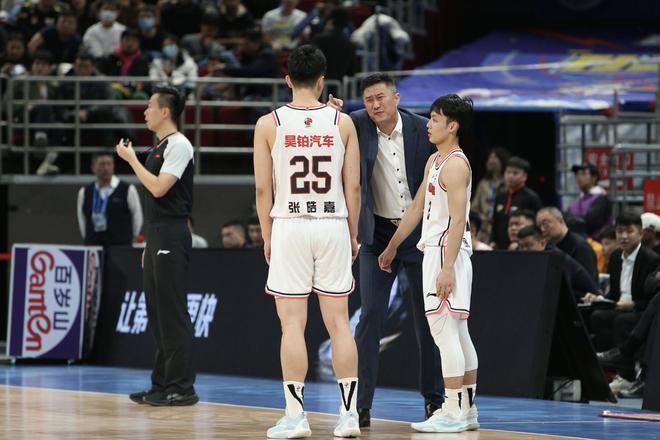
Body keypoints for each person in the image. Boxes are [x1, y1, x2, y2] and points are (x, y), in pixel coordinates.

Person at [253, 45, 361, 438]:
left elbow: (262, 190)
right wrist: (352, 234)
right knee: (339, 323)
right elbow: (353, 187)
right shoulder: (342, 122)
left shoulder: (268, 124)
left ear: (287, 80)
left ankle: (296, 416)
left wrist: (267, 235)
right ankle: (348, 415)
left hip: (290, 224)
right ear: (321, 81)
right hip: (333, 222)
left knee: (293, 325)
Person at [379, 94, 479, 433]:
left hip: (446, 252)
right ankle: (467, 409)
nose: (429, 125)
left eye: (435, 119)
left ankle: (452, 410)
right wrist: (393, 245)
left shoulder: (455, 164)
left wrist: (447, 267)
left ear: (452, 126)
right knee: (458, 331)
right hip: (438, 250)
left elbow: (458, 220)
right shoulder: (436, 160)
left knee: (444, 330)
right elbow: (416, 208)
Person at [350, 73, 443, 427]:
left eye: (380, 97)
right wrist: (330, 111)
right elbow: (330, 127)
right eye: (369, 100)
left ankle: (434, 401)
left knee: (427, 320)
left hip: (419, 233)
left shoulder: (423, 128)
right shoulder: (356, 124)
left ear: (396, 97)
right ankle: (360, 405)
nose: (375, 105)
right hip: (377, 234)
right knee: (370, 318)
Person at [116, 85, 198, 406]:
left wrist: (131, 160)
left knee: (172, 311)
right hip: (157, 234)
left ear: (165, 112)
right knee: (157, 312)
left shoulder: (179, 145)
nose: (145, 111)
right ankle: (161, 384)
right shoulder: (159, 147)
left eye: (150, 106)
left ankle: (182, 387)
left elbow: (159, 188)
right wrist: (149, 244)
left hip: (172, 232)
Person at [584, 212, 660, 352]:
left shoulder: (651, 259)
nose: (624, 236)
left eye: (629, 231)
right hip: (619, 306)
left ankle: (623, 361)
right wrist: (598, 298)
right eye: (619, 231)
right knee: (596, 315)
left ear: (640, 234)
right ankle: (603, 357)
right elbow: (613, 294)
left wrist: (633, 304)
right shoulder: (615, 257)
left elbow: (654, 300)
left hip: (640, 310)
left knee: (622, 320)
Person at [517, 225, 601, 301]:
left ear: (542, 243)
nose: (524, 251)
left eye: (528, 245)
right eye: (521, 247)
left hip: (584, 300)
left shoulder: (556, 259)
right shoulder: (531, 259)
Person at [77, 153, 142, 247]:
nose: (106, 168)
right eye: (102, 164)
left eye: (109, 164)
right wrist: (89, 238)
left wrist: (130, 237)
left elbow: (137, 217)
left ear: (113, 166)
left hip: (121, 246)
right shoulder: (85, 192)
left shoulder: (127, 189)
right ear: (93, 168)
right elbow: (82, 220)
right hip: (94, 247)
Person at [490, 156, 543, 249]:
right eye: (508, 172)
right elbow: (495, 223)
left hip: (522, 248)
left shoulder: (531, 197)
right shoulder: (500, 197)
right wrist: (492, 241)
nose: (510, 176)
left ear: (524, 176)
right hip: (500, 248)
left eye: (515, 173)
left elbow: (537, 225)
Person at [536, 206, 598, 282]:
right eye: (539, 227)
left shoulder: (580, 247)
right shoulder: (547, 248)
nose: (542, 229)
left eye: (545, 224)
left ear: (561, 221)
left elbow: (588, 282)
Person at [471, 147, 510, 243]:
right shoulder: (483, 183)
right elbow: (474, 207)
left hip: (502, 226)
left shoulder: (508, 183)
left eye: (494, 158)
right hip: (484, 228)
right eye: (489, 158)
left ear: (502, 161)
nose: (490, 161)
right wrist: (482, 217)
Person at [567, 163, 611, 239]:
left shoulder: (601, 197)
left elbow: (591, 222)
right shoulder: (578, 199)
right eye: (577, 174)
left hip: (596, 242)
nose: (579, 177)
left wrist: (571, 221)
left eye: (583, 174)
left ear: (594, 178)